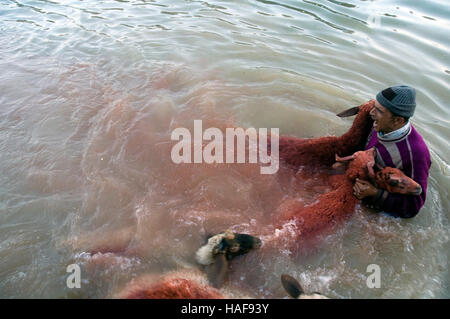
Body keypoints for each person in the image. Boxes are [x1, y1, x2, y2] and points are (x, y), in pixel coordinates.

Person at [353, 85, 431, 218]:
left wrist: (375, 193)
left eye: (378, 110)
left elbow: (415, 206)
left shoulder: (416, 154)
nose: (371, 113)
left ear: (398, 120)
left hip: (382, 206)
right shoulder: (380, 123)